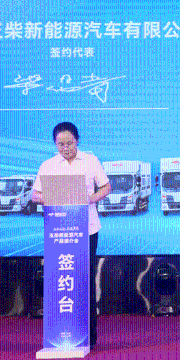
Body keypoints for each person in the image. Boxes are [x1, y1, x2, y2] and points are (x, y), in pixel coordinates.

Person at [29, 122, 111, 347]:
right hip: (59, 231)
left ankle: (89, 336)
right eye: (61, 144)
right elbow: (35, 196)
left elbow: (106, 187)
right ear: (55, 144)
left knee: (85, 279)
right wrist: (58, 197)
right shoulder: (48, 165)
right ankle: (62, 332)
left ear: (77, 140)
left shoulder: (91, 161)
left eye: (70, 143)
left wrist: (89, 199)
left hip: (87, 228)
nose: (66, 148)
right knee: (61, 279)